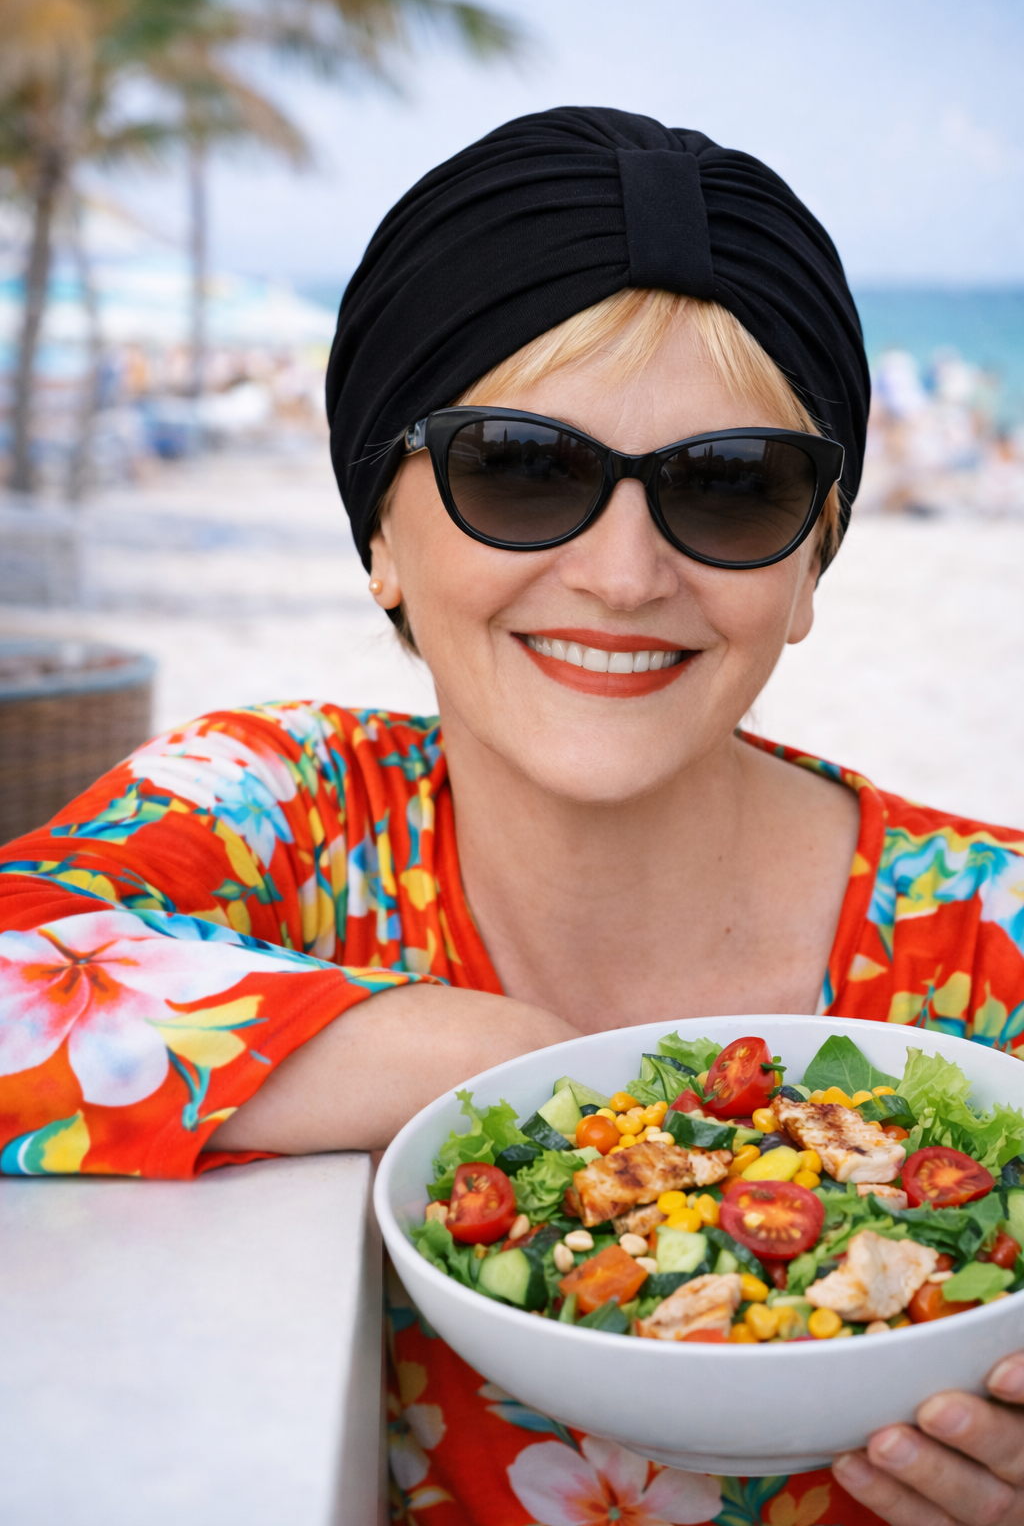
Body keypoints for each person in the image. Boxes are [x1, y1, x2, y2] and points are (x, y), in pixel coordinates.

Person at [1, 108, 1022, 1526]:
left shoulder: (991, 938)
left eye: (731, 487)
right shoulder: (283, 812)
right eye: (522, 467)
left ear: (811, 562)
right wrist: (476, 1055)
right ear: (378, 534)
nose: (622, 573)